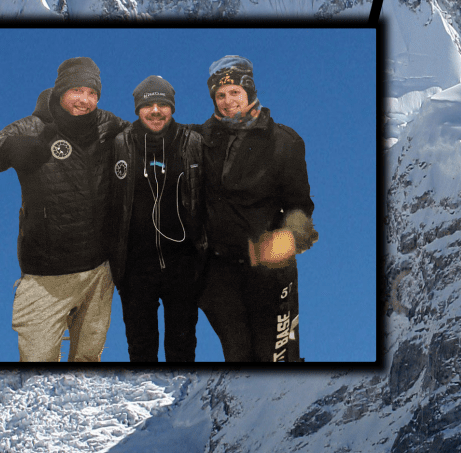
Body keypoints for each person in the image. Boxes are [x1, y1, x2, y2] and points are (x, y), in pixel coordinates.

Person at [0, 57, 123, 362]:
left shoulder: (107, 125)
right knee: (37, 366)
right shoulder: (32, 128)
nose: (85, 100)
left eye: (92, 93)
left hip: (99, 272)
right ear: (60, 91)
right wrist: (6, 150)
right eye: (77, 91)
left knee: (87, 361)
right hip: (46, 277)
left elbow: (151, 141)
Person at [197, 55, 318, 362]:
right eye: (220, 95)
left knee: (277, 359)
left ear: (249, 91)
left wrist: (284, 242)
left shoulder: (283, 141)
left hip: (270, 272)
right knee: (239, 359)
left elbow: (300, 206)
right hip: (218, 274)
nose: (227, 102)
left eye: (234, 92)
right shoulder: (199, 140)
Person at [109, 75, 205, 363]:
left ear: (172, 108)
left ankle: (181, 408)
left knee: (183, 348)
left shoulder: (193, 142)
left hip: (183, 264)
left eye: (162, 104)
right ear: (137, 109)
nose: (155, 111)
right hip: (136, 267)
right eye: (148, 104)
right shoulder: (119, 144)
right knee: (140, 349)